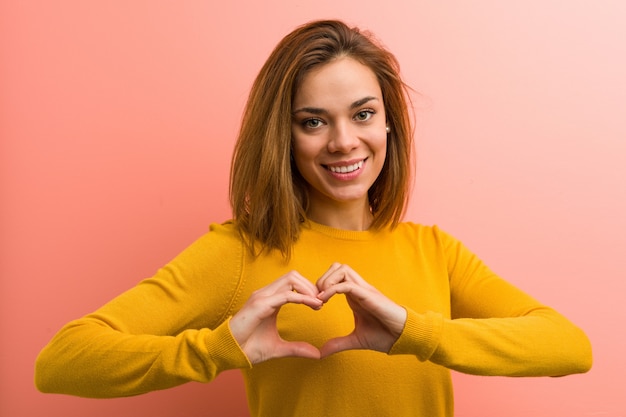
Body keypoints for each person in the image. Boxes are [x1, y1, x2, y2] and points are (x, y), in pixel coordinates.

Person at [35, 19, 592, 416]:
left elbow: (569, 347)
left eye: (363, 114)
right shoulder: (241, 251)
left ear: (389, 123)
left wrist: (410, 330)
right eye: (313, 121)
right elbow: (61, 362)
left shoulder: (434, 251)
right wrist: (218, 348)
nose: (344, 141)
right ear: (285, 134)